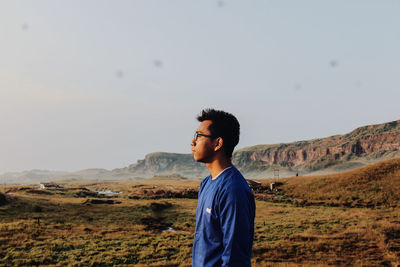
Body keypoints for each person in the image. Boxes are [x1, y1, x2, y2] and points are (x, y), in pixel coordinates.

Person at [191, 108, 255, 267]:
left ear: (218, 143)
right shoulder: (206, 183)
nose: (193, 142)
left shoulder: (233, 190)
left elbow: (235, 257)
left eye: (199, 136)